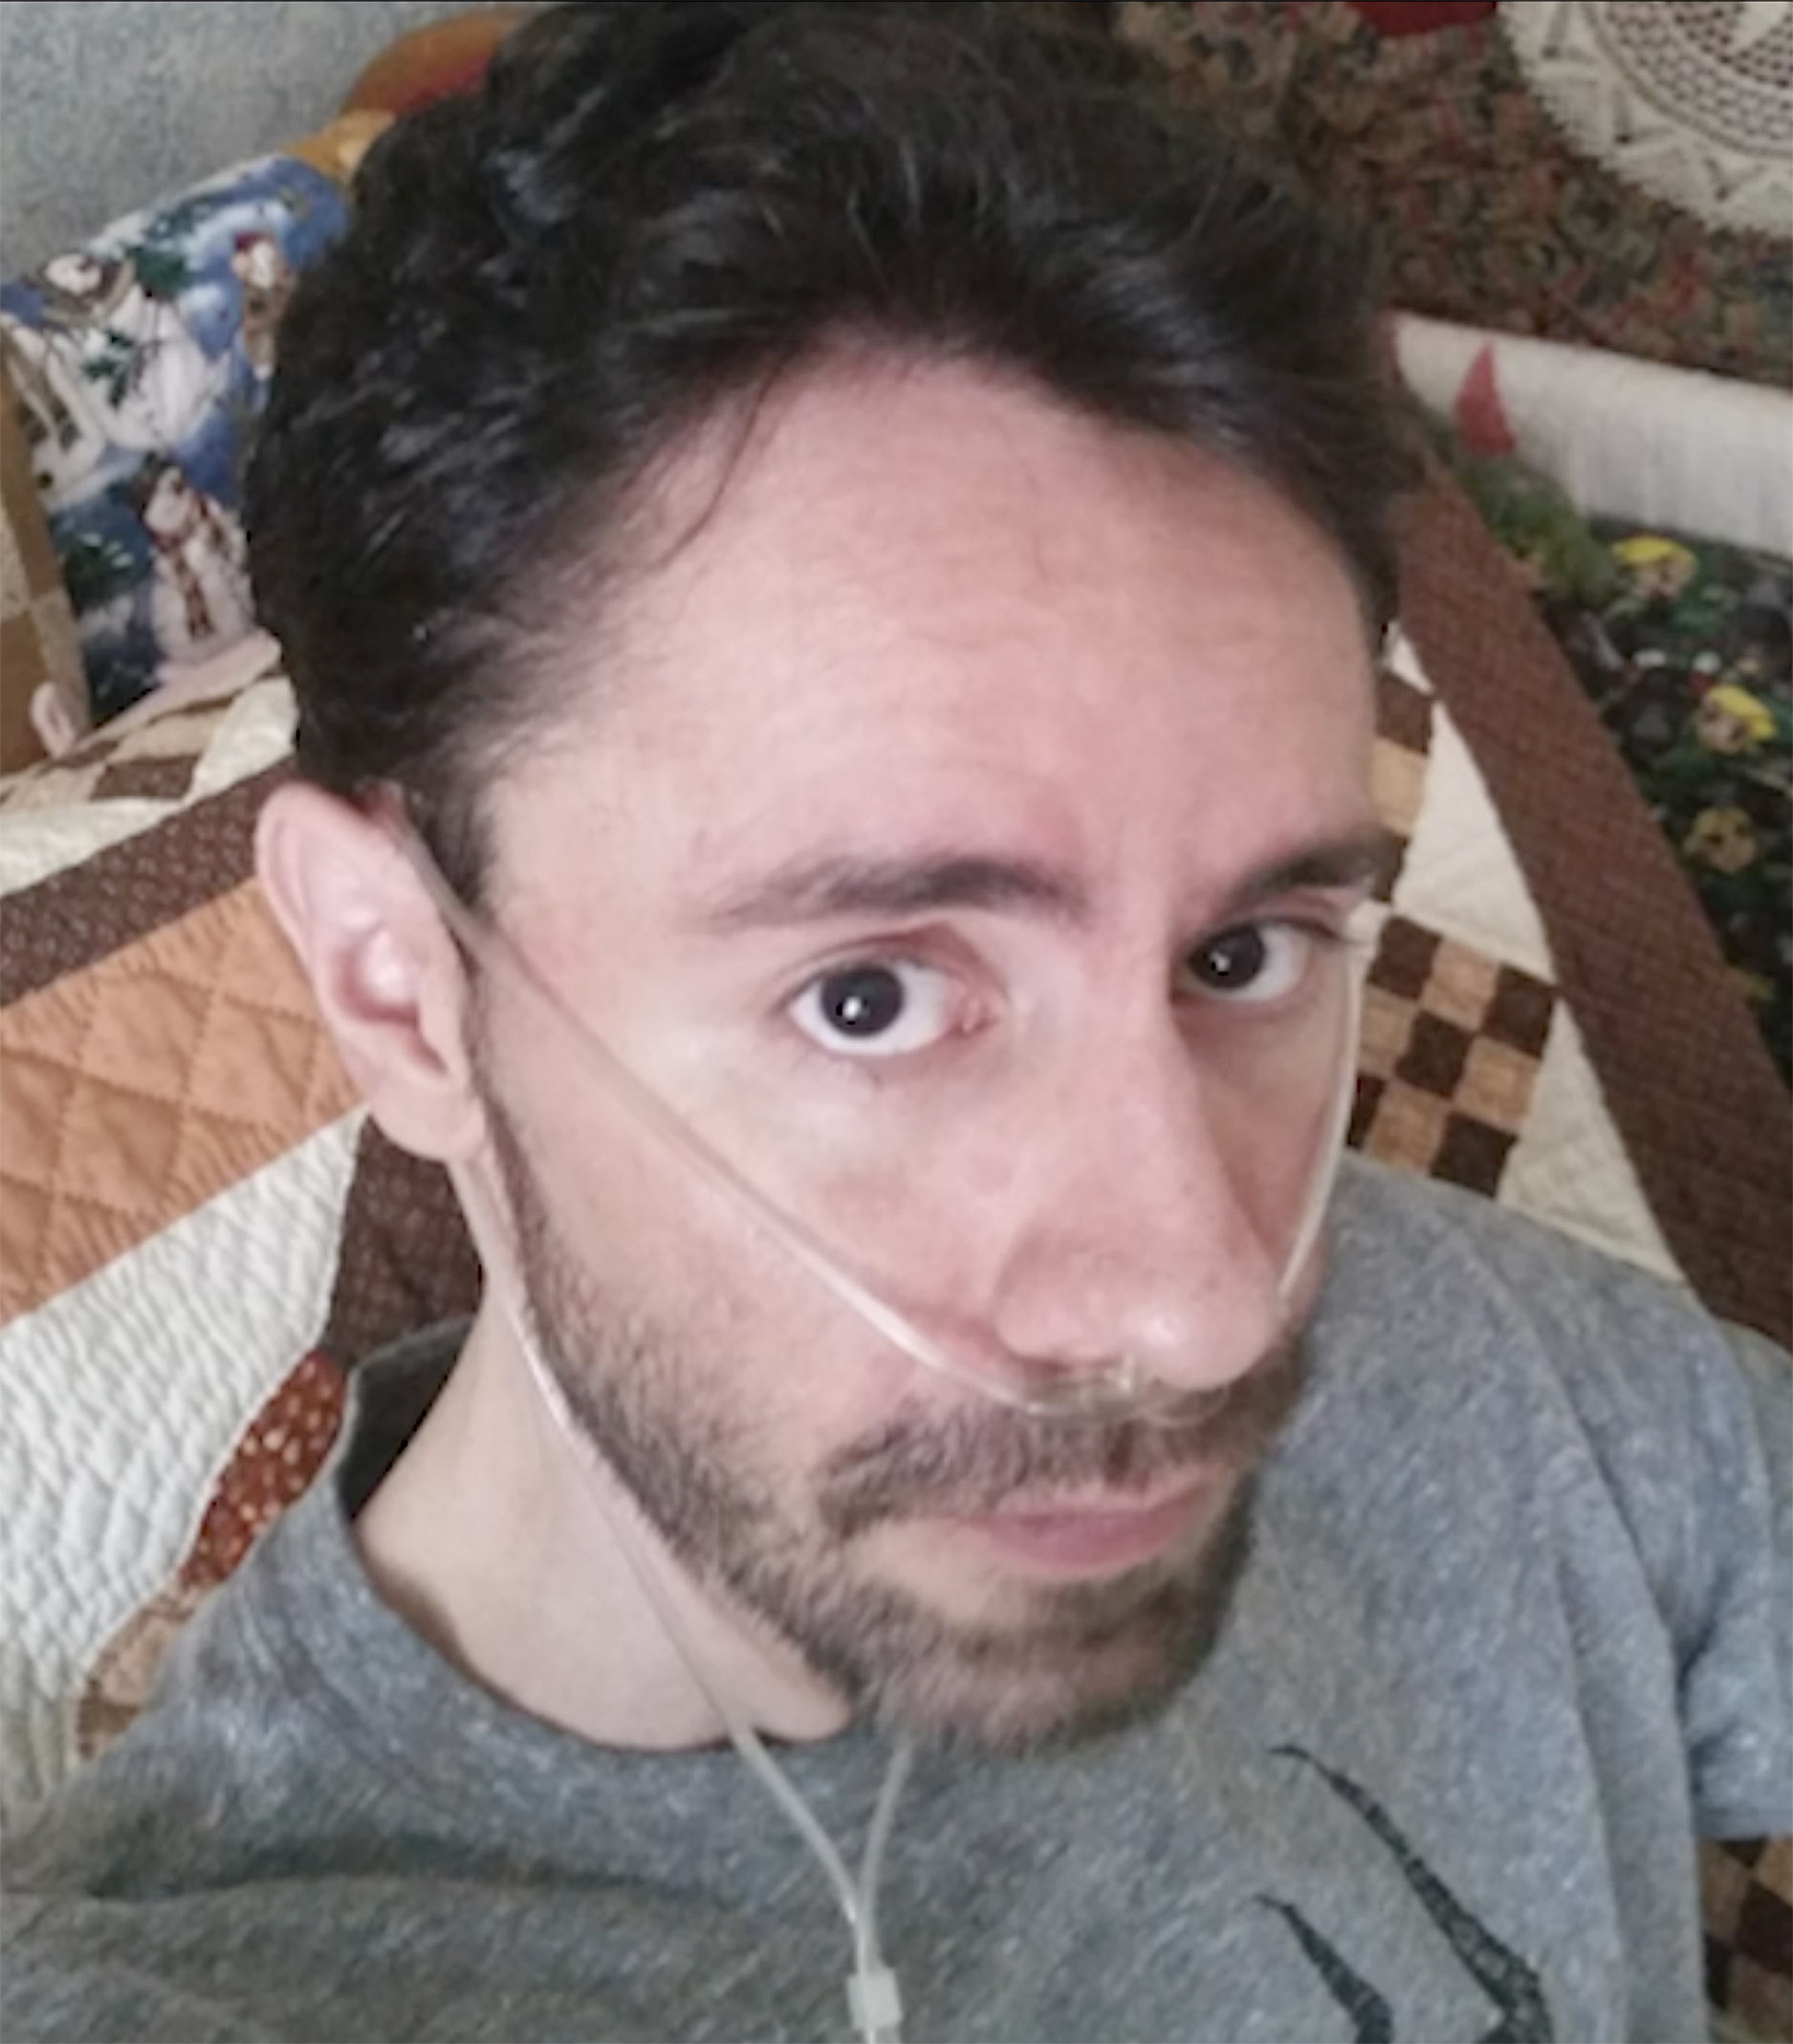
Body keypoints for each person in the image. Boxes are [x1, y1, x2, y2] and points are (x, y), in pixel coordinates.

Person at [5, 5, 1788, 2040]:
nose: (1208, 1312)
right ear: (395, 982)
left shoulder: (1465, 1354)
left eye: (1242, 955)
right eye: (872, 996)